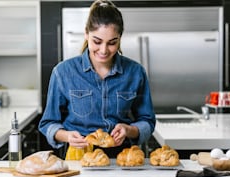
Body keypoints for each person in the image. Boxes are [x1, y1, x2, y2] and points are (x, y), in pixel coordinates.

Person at [39, 0, 156, 157]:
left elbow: (147, 121)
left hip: (123, 158)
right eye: (97, 41)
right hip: (78, 156)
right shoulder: (63, 72)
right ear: (86, 34)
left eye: (112, 43)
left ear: (120, 38)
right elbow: (48, 123)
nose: (103, 50)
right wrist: (67, 136)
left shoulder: (135, 72)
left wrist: (129, 130)